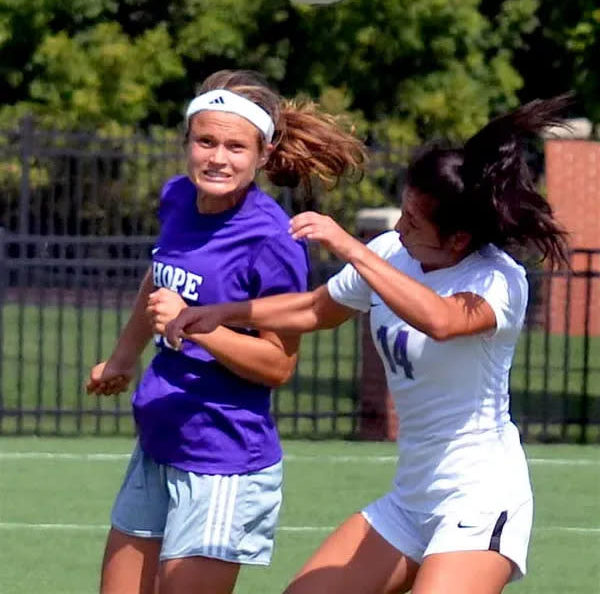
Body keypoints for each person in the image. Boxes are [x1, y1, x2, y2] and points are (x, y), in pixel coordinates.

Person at [165, 97, 570, 594]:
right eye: (402, 212)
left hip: (480, 499)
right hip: (409, 500)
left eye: (414, 223)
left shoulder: (498, 280)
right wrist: (225, 313)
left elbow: (440, 320)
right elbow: (316, 309)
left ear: (460, 238)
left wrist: (348, 246)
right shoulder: (392, 254)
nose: (399, 228)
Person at [85, 68, 366, 594]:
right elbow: (159, 275)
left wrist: (199, 330)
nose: (218, 157)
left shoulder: (271, 239)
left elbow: (278, 365)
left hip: (222, 459)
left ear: (262, 155)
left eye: (236, 147)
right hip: (159, 438)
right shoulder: (177, 198)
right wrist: (124, 356)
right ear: (187, 142)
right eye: (206, 141)